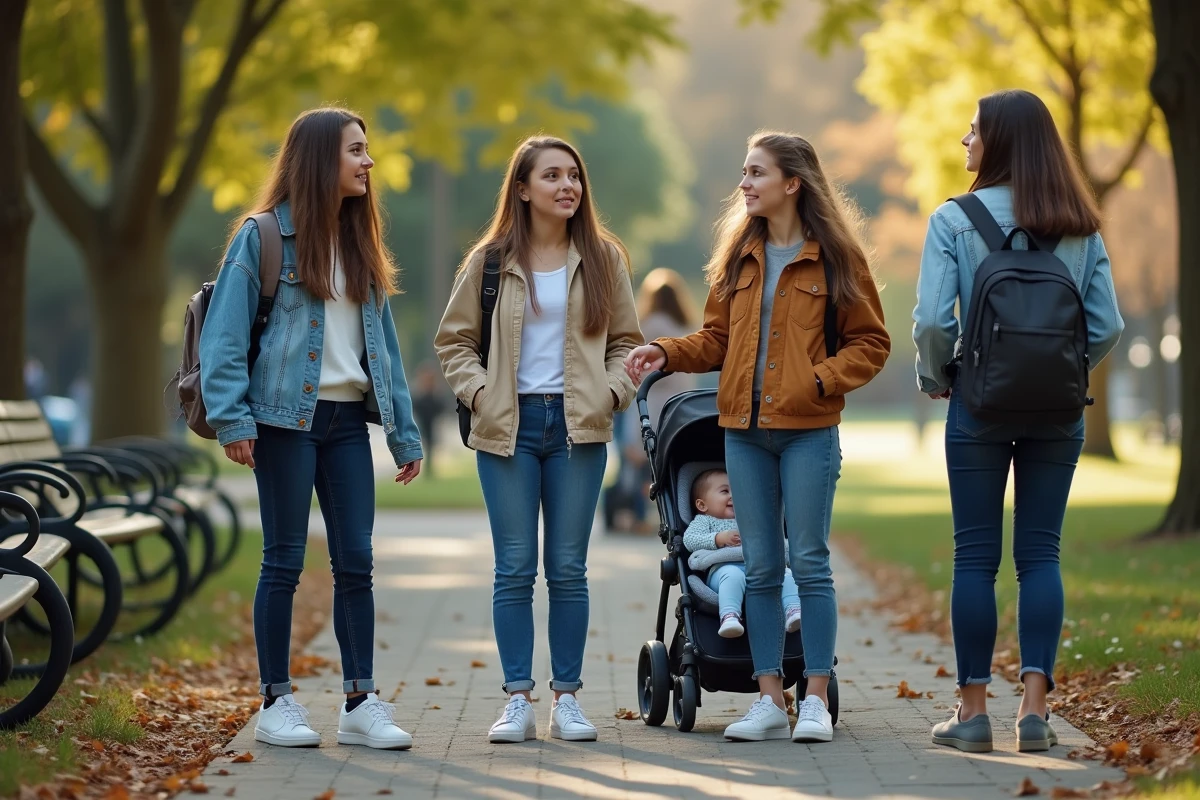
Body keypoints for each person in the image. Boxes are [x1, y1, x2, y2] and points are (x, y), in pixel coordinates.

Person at [625, 131, 890, 743]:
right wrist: (663, 351)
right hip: (741, 435)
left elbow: (871, 343)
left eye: (756, 172)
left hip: (808, 433)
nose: (743, 183)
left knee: (812, 563)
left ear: (792, 182)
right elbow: (715, 341)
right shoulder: (737, 258)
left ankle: (815, 699)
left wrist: (820, 379)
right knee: (764, 567)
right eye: (744, 173)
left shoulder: (838, 259)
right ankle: (769, 698)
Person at [200, 107, 423, 751]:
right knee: (285, 560)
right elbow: (224, 338)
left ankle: (360, 699)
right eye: (357, 150)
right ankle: (277, 700)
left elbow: (384, 347)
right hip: (281, 422)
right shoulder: (264, 237)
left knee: (357, 560)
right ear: (322, 158)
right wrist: (234, 420)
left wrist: (404, 434)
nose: (368, 161)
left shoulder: (360, 243)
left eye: (368, 149)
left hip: (348, 422)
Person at [913, 89, 1124, 754]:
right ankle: (1034, 711)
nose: (965, 143)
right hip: (1058, 411)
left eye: (973, 132)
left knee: (975, 556)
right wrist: (1064, 368)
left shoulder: (954, 219)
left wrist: (940, 375)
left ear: (1000, 141)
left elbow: (929, 322)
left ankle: (972, 714)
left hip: (978, 402)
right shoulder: (1080, 224)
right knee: (1041, 556)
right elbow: (1108, 325)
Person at [435, 136, 642, 744]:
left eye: (573, 175)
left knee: (568, 568)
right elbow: (454, 343)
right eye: (551, 176)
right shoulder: (490, 261)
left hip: (579, 427)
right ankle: (517, 699)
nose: (566, 186)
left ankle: (568, 700)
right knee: (515, 568)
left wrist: (610, 393)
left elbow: (627, 346)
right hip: (509, 429)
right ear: (522, 188)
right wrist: (481, 396)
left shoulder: (605, 259)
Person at [609, 268, 702, 534]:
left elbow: (632, 372)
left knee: (637, 466)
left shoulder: (647, 326)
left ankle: (635, 517)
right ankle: (676, 519)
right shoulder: (687, 329)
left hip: (648, 405)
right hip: (678, 410)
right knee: (669, 469)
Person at [682, 468, 802, 638]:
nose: (733, 496)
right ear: (702, 505)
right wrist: (718, 538)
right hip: (722, 570)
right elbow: (690, 539)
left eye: (737, 490)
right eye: (724, 491)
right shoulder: (704, 521)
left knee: (785, 574)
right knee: (732, 576)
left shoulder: (749, 520)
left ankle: (793, 609)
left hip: (758, 568)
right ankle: (729, 616)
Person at [410, 360, 451, 477]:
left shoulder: (434, 394)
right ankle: (423, 468)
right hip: (423, 421)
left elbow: (441, 407)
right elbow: (416, 406)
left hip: (431, 422)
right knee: (424, 445)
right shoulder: (420, 393)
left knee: (430, 446)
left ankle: (428, 468)